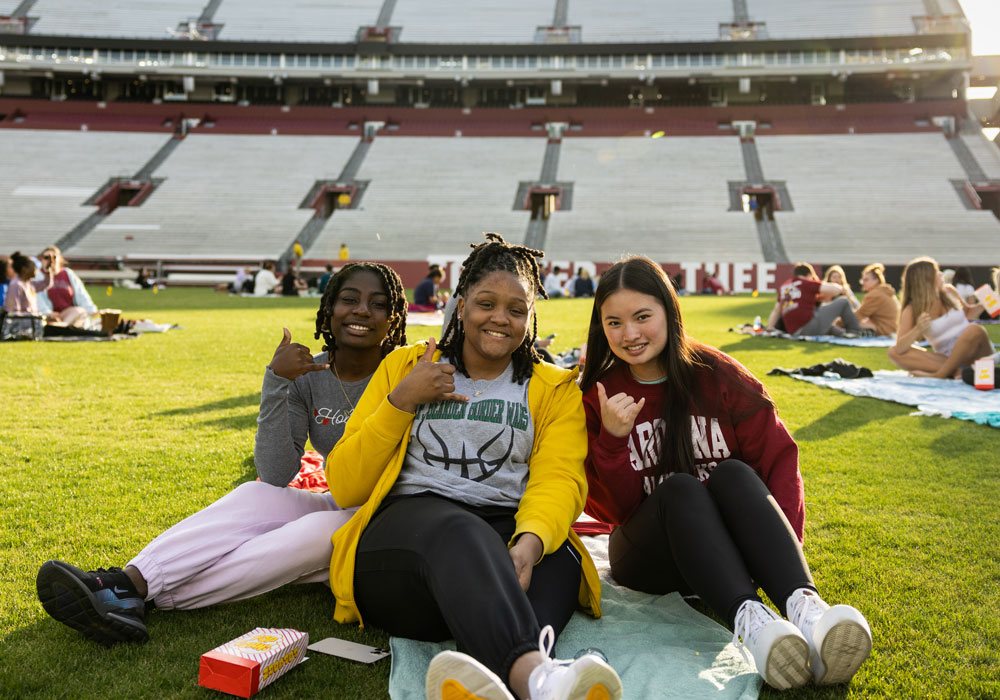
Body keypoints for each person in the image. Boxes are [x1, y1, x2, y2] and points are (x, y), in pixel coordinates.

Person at [35, 263, 409, 645]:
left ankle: (146, 599)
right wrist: (277, 382)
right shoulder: (308, 374)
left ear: (392, 316)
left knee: (319, 532)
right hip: (344, 498)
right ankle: (125, 582)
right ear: (329, 308)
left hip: (391, 516)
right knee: (256, 494)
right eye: (349, 299)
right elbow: (276, 473)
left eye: (377, 304)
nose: (362, 310)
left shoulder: (407, 371)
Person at [326, 233, 621, 700]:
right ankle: (534, 675)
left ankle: (488, 680)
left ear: (531, 318)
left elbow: (559, 476)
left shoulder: (553, 387)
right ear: (460, 306)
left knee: (558, 561)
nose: (500, 319)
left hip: (505, 535)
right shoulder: (407, 366)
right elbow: (344, 485)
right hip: (409, 542)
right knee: (460, 532)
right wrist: (401, 401)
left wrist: (528, 544)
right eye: (486, 303)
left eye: (516, 310)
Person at [579, 256, 872, 689]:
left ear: (669, 310)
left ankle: (805, 608)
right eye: (614, 323)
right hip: (646, 558)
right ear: (601, 327)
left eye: (642, 317)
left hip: (727, 555)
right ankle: (752, 623)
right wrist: (613, 440)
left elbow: (778, 462)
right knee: (681, 490)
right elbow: (617, 511)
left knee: (734, 473)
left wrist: (776, 554)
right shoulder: (600, 393)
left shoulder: (716, 374)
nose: (630, 334)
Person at [888, 257, 992, 379]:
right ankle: (956, 372)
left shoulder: (949, 291)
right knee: (893, 352)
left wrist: (985, 303)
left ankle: (940, 375)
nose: (941, 274)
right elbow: (900, 348)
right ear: (926, 279)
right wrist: (918, 329)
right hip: (947, 360)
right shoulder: (912, 310)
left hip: (975, 353)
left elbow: (968, 313)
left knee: (975, 329)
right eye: (936, 272)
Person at [767, 262, 864, 336]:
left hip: (794, 330)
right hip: (807, 326)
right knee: (843, 301)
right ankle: (855, 332)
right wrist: (843, 288)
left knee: (828, 324)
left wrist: (769, 329)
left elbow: (776, 310)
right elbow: (836, 289)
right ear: (809, 275)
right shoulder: (807, 283)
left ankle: (843, 334)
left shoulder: (785, 285)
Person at [36, 245, 98, 327]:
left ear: (60, 259)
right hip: (49, 316)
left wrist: (91, 309)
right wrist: (48, 313)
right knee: (79, 320)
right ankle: (66, 327)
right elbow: (37, 298)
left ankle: (63, 326)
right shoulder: (37, 276)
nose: (51, 260)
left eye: (54, 257)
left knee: (81, 312)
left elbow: (81, 293)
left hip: (68, 313)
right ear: (42, 260)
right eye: (47, 257)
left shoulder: (68, 274)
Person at [854, 263, 900, 336]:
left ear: (876, 280)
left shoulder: (875, 295)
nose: (862, 283)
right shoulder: (883, 291)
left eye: (866, 280)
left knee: (852, 324)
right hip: (893, 327)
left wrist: (837, 323)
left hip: (885, 329)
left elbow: (859, 315)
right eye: (862, 280)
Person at [4, 251, 54, 316]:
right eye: (33, 266)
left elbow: (46, 284)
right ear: (24, 269)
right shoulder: (16, 285)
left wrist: (48, 269)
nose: (36, 269)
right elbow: (12, 311)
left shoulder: (29, 284)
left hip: (30, 323)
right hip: (21, 325)